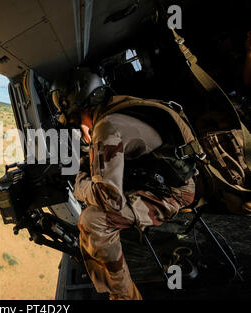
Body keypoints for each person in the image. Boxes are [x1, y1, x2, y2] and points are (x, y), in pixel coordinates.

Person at [51, 68, 197, 300]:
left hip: (173, 194)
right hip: (169, 181)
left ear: (78, 106)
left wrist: (79, 182)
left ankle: (123, 297)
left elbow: (110, 199)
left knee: (92, 221)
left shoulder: (106, 127)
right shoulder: (120, 108)